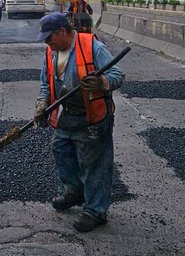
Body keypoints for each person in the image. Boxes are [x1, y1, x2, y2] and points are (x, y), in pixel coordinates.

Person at [33, 12, 123, 233]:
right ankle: (74, 192)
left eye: (48, 37)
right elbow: (46, 83)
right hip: (69, 114)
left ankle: (96, 210)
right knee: (60, 149)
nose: (46, 42)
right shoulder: (51, 53)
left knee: (94, 164)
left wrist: (101, 81)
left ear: (62, 32)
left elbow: (117, 76)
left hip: (93, 115)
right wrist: (42, 104)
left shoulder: (92, 47)